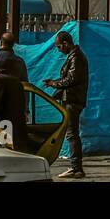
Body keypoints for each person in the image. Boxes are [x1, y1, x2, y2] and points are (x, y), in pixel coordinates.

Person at [44, 30, 89, 178]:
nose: (59, 50)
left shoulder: (76, 58)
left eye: (59, 47)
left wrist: (54, 83)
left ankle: (76, 167)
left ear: (65, 43)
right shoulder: (74, 57)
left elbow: (71, 80)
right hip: (72, 99)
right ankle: (76, 167)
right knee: (72, 134)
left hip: (73, 101)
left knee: (72, 135)